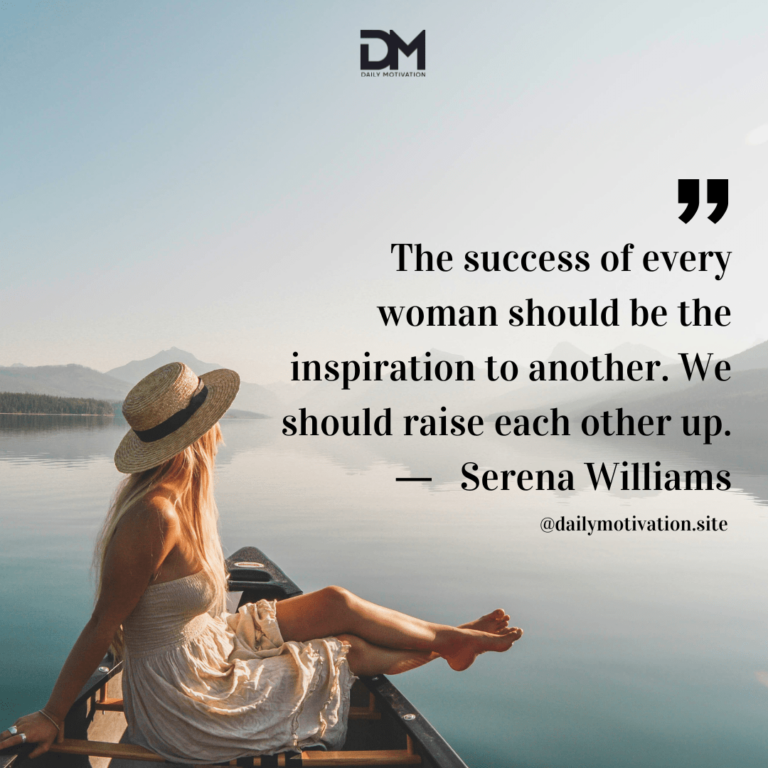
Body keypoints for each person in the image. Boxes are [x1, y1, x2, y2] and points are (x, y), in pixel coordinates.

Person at [0, 363, 522, 762]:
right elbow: (102, 624)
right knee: (344, 651)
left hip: (209, 642)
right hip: (182, 695)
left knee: (335, 602)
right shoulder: (154, 516)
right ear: (199, 435)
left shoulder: (185, 498)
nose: (221, 431)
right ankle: (450, 645)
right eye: (214, 423)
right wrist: (52, 713)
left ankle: (449, 637)